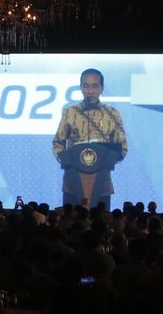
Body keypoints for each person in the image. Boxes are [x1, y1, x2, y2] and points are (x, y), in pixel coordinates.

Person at [52, 68, 127, 209]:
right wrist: (68, 163)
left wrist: (105, 161)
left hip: (102, 182)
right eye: (86, 86)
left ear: (102, 88)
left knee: (100, 227)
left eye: (95, 86)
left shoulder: (112, 114)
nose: (90, 90)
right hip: (72, 183)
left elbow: (122, 148)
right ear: (81, 88)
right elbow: (58, 143)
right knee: (71, 227)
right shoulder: (70, 112)